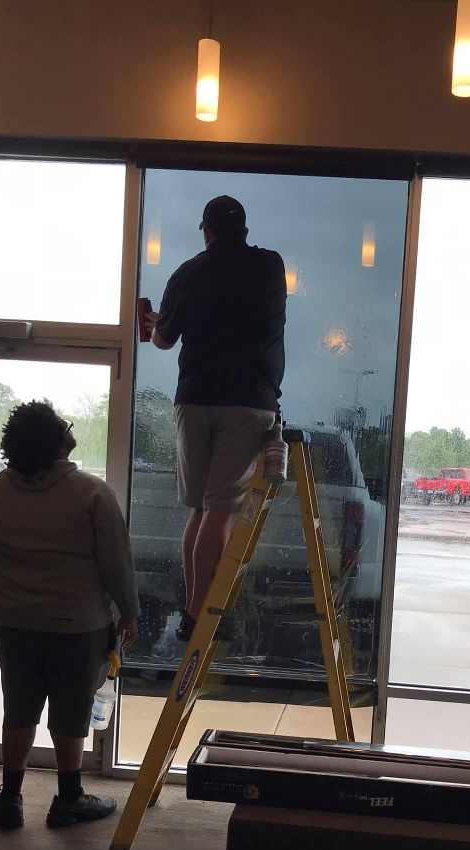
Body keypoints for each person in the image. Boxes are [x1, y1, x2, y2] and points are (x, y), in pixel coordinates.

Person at [0, 400, 140, 830]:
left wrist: (13, 594)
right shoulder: (91, 493)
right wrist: (129, 615)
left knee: (19, 706)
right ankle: (68, 799)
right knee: (71, 711)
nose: (69, 427)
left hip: (11, 621)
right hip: (77, 624)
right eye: (63, 424)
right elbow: (116, 565)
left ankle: (9, 799)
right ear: (56, 440)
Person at [144, 195, 286, 643]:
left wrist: (153, 322)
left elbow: (163, 341)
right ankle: (200, 613)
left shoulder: (188, 273)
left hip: (195, 398)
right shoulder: (268, 267)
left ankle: (193, 608)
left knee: (202, 509)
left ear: (205, 230)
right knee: (220, 510)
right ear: (243, 230)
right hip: (247, 400)